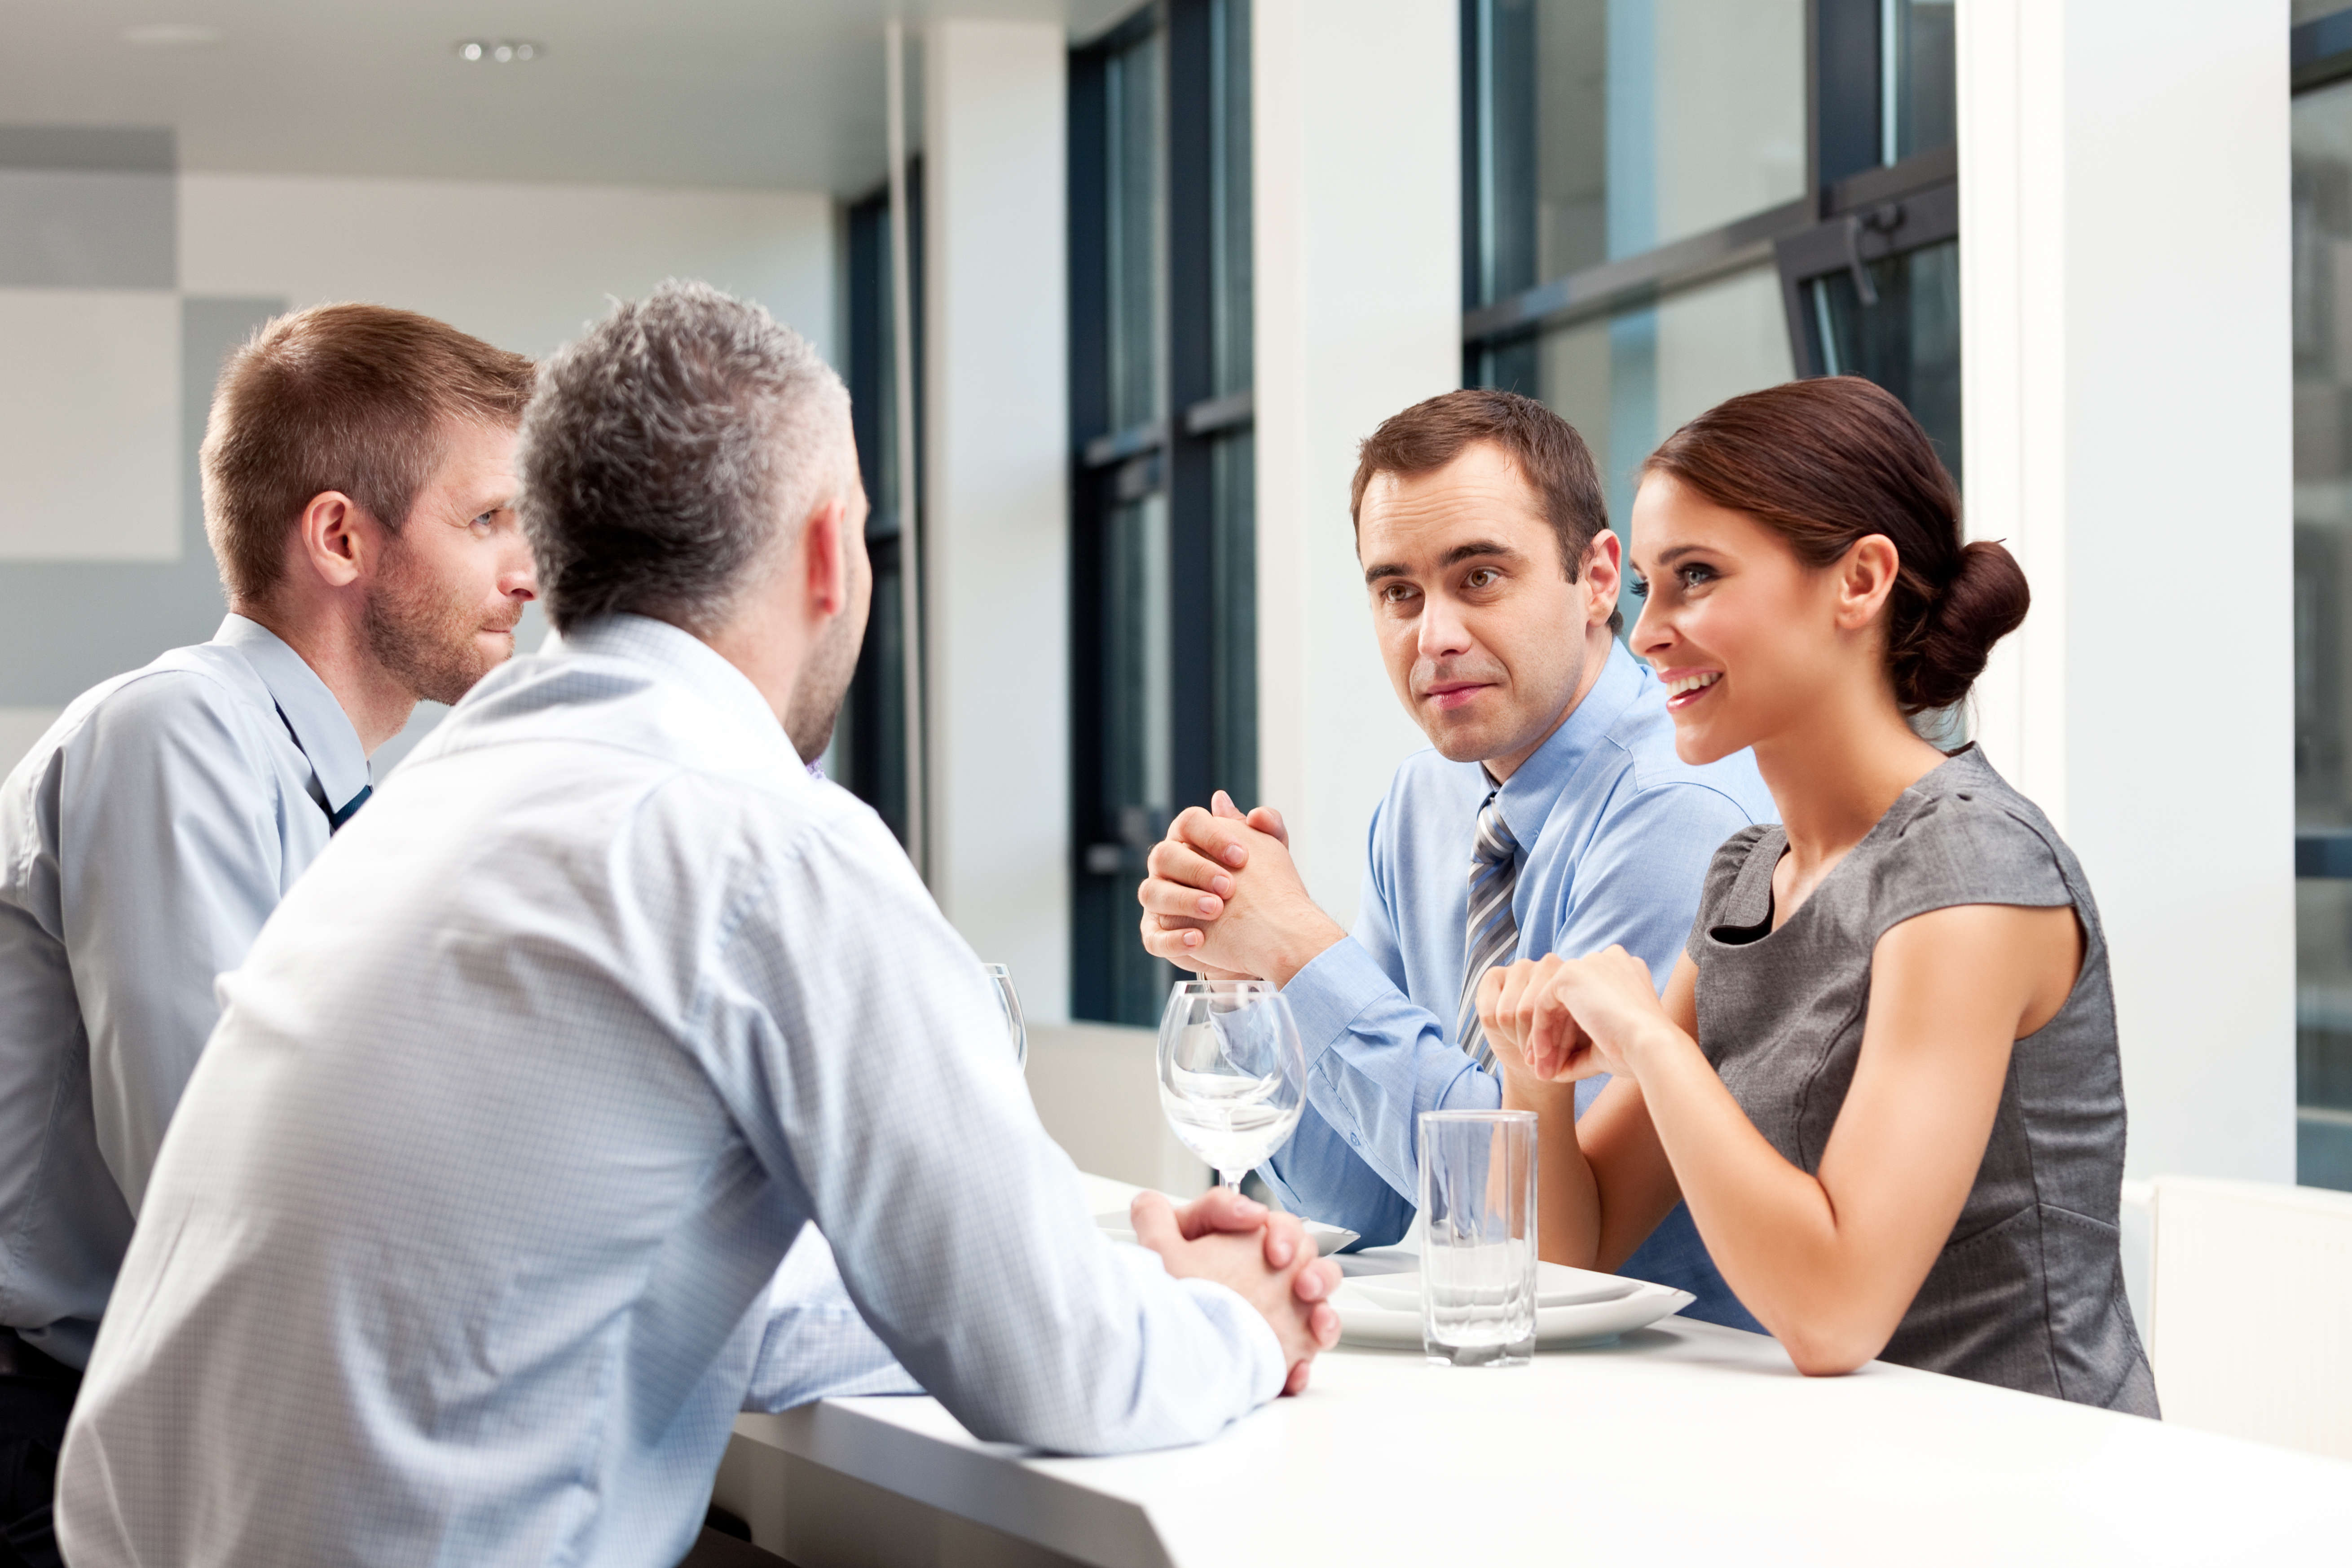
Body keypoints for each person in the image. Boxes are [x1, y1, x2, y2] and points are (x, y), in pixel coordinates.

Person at [56, 282, 1342, 1568]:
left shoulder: (428, 804)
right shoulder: (761, 836)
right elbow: (1064, 1376)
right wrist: (1229, 1318)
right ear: (830, 552)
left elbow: (677, 1290)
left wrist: (1085, 1283)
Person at [1475, 376, 2158, 1413]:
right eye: (1649, 587)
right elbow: (1570, 1260)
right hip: (1843, 1468)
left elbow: (1836, 1313)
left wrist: (1653, 1045)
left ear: (1860, 581)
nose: (1647, 633)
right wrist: (1538, 1079)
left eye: (1696, 576)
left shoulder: (1972, 871)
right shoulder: (1752, 876)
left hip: (2027, 1486)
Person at [0, 303, 538, 1563]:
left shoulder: (333, 794)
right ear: (341, 535)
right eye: (486, 521)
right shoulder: (176, 735)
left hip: (174, 1426)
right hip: (52, 1445)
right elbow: (222, 1176)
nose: (527, 572)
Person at [1136, 389, 1775, 1329]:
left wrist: (1305, 952)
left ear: (1599, 579)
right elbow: (1358, 1204)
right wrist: (1245, 969)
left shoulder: (1682, 812)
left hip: (1683, 1386)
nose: (1432, 637)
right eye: (1399, 592)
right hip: (1493, 1361)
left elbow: (1525, 1219)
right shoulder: (1424, 802)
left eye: (1478, 578)